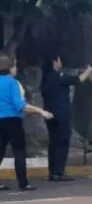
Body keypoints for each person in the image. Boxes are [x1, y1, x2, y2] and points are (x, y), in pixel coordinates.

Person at [0, 54, 54, 191]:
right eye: (15, 66)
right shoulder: (12, 83)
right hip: (13, 120)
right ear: (10, 68)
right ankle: (23, 183)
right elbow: (20, 105)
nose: (16, 69)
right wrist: (41, 111)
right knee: (19, 151)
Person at [40, 54, 92, 182]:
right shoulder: (58, 76)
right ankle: (59, 172)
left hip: (49, 115)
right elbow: (79, 79)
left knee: (53, 143)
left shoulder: (46, 79)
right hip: (61, 115)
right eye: (59, 60)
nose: (61, 62)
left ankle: (52, 172)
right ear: (54, 62)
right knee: (62, 143)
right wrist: (90, 69)